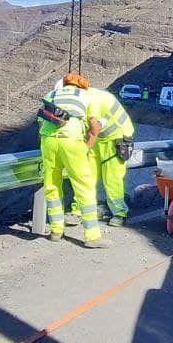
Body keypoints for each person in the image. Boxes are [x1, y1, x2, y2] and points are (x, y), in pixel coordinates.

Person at [38, 73, 108, 247]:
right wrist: (87, 146)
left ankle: (56, 230)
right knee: (84, 186)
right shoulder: (87, 96)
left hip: (48, 141)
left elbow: (40, 122)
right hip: (71, 142)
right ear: (82, 86)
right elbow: (94, 126)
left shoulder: (51, 95)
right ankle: (92, 237)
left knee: (52, 185)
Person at [85, 84, 135, 226]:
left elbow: (94, 128)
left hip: (116, 138)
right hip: (100, 139)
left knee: (112, 179)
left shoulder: (91, 100)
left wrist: (84, 148)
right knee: (88, 175)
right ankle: (84, 210)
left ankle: (119, 213)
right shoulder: (84, 96)